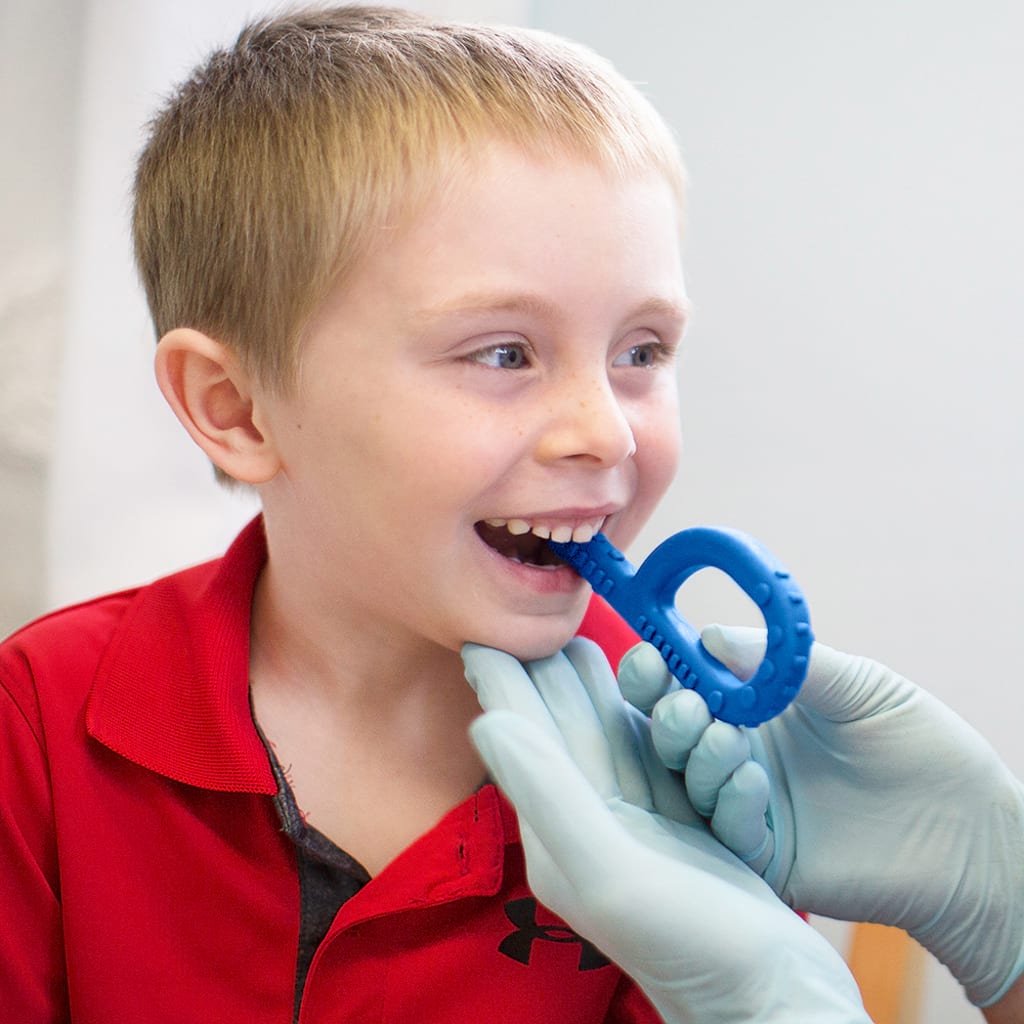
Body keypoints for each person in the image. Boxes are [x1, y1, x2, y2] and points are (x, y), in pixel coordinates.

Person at [0, 5, 873, 1022]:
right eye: (504, 353)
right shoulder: (39, 722)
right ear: (234, 409)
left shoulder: (693, 768)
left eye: (641, 351)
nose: (607, 432)